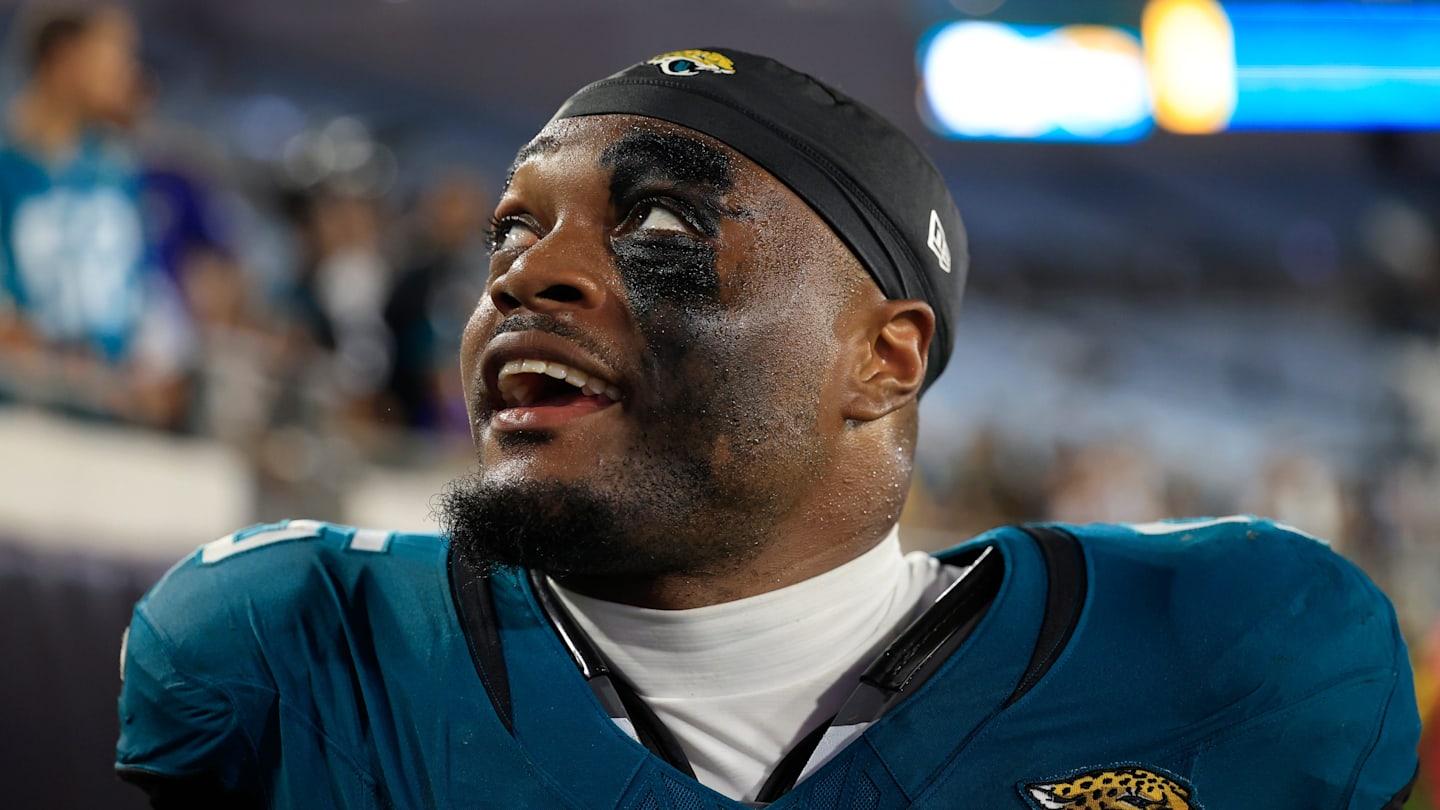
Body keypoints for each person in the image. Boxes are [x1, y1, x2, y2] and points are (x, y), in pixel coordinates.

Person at [115, 48, 1421, 808]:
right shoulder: (298, 653)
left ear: (882, 359)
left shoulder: (1232, 652)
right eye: (512, 229)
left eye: (662, 225)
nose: (526, 275)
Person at [0, 5, 188, 428]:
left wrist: (158, 364)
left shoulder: (119, 174)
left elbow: (146, 293)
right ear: (66, 57)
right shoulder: (7, 170)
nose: (128, 71)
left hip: (109, 419)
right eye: (116, 53)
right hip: (19, 422)